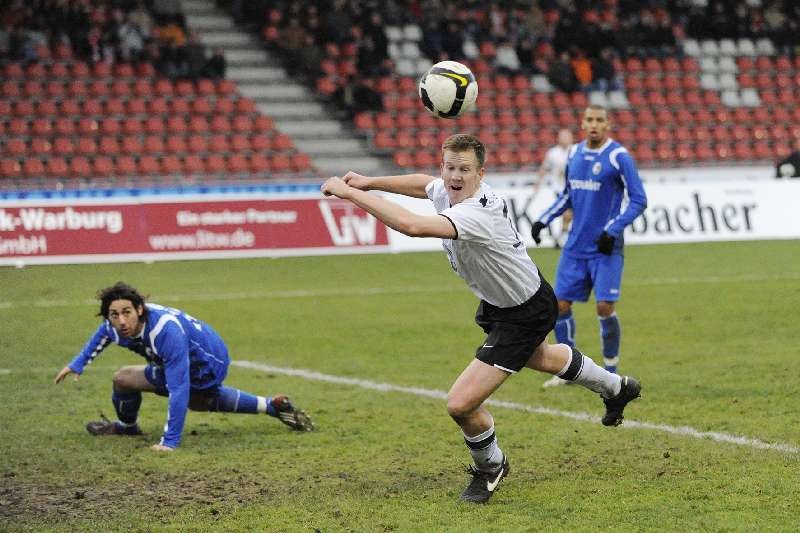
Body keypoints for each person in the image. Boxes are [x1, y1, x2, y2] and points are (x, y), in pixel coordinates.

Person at [320, 134, 641, 504]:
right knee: (543, 358)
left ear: (481, 173)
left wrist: (351, 195)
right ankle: (618, 388)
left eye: (465, 170)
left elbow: (414, 226)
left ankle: (492, 465)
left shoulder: (478, 210)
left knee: (461, 404)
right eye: (450, 167)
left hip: (523, 310)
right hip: (510, 300)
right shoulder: (447, 189)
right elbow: (425, 185)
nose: (454, 176)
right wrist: (369, 181)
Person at [54, 282, 314, 451]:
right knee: (125, 380)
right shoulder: (115, 325)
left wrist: (170, 442)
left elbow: (179, 388)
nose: (121, 320)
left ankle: (269, 406)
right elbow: (102, 335)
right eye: (114, 314)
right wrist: (78, 364)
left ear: (140, 310)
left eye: (127, 313)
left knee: (191, 398)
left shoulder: (165, 332)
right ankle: (272, 406)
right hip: (201, 349)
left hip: (208, 361)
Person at [531, 105, 648, 388]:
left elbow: (638, 199)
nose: (594, 125)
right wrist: (543, 220)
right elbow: (569, 196)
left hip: (605, 248)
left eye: (600, 120)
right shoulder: (574, 153)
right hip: (575, 248)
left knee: (605, 307)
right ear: (583, 123)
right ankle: (569, 370)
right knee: (559, 305)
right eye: (590, 120)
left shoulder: (619, 157)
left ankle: (611, 369)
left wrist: (613, 229)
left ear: (608, 124)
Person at [532, 128, 574, 249]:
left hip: (574, 187)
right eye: (562, 136)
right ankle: (563, 237)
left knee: (569, 215)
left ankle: (561, 237)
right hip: (559, 188)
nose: (564, 139)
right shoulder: (553, 153)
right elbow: (544, 168)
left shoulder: (576, 150)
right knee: (567, 213)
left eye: (566, 136)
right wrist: (537, 184)